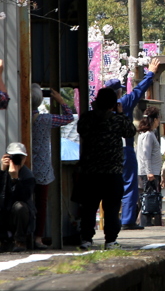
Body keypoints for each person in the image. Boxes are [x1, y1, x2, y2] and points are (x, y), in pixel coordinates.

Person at [76, 86, 135, 250]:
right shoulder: (117, 120)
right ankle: (110, 241)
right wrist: (121, 113)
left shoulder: (87, 118)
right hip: (112, 173)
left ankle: (86, 239)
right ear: (114, 104)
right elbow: (131, 131)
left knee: (89, 207)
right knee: (111, 208)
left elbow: (80, 129)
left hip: (90, 172)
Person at [106, 59, 158, 231]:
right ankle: (128, 219)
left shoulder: (99, 108)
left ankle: (111, 220)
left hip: (106, 150)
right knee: (129, 183)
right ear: (118, 92)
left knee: (110, 185)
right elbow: (138, 91)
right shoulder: (123, 103)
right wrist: (150, 73)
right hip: (124, 149)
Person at [30, 83, 75, 249]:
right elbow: (69, 118)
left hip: (24, 166)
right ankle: (38, 237)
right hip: (42, 168)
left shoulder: (21, 117)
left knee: (23, 201)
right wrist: (61, 101)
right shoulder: (45, 119)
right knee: (41, 204)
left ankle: (21, 236)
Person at [0, 143, 36, 252]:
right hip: (4, 214)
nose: (17, 161)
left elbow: (23, 197)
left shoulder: (28, 175)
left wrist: (15, 179)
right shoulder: (2, 173)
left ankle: (20, 241)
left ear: (25, 158)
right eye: (13, 157)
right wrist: (2, 172)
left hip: (18, 217)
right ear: (7, 157)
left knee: (20, 207)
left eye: (20, 158)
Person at [135, 110, 162, 226]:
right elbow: (146, 154)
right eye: (158, 118)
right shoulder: (148, 135)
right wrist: (149, 172)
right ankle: (146, 223)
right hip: (150, 173)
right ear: (154, 119)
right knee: (149, 199)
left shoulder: (145, 134)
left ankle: (144, 222)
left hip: (146, 171)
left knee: (146, 199)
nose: (159, 121)